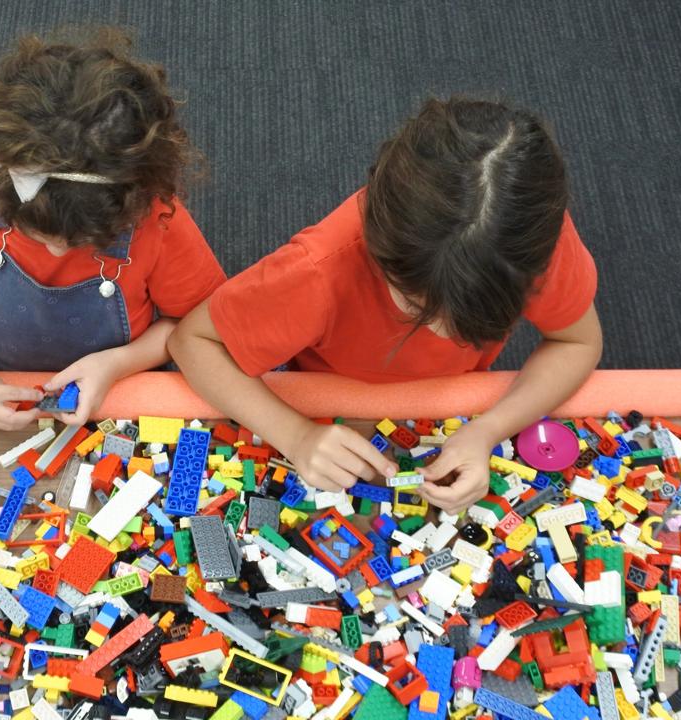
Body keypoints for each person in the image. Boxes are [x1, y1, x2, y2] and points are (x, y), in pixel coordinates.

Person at [169, 97, 602, 514]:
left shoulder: (530, 247)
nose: (443, 333)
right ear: (380, 248)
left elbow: (576, 343)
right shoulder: (317, 272)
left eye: (478, 317)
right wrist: (295, 434)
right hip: (330, 397)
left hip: (448, 408)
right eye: (416, 306)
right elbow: (193, 342)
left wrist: (488, 430)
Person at [0, 28, 225, 430]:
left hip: (125, 385)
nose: (58, 253)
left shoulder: (156, 218)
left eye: (82, 240)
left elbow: (200, 324)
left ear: (133, 201)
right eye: (38, 233)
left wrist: (117, 363)